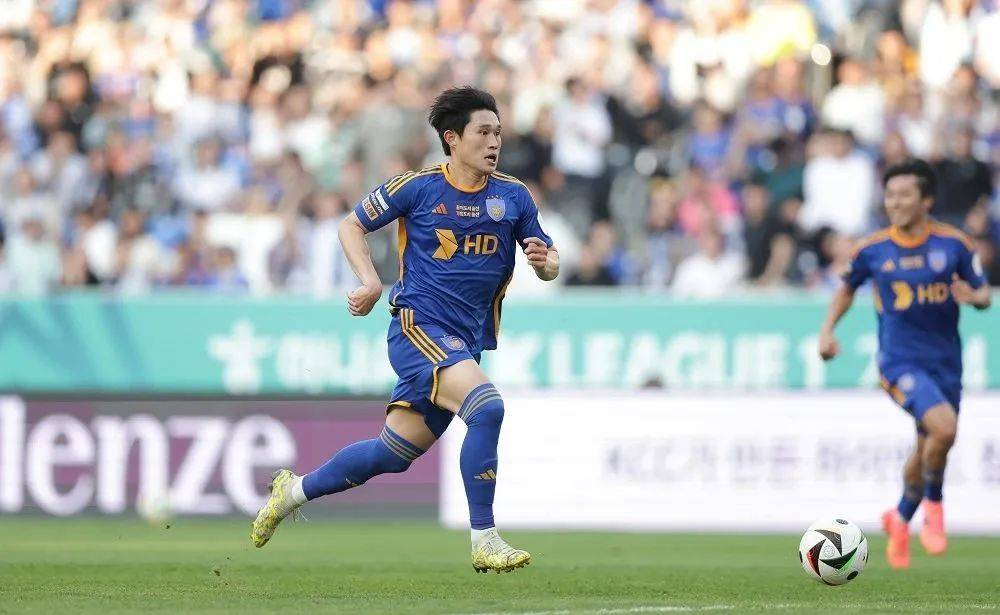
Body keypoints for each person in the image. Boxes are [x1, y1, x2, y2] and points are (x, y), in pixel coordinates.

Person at [250, 87, 559, 573]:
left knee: (390, 454)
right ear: (452, 139)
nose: (494, 142)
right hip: (418, 327)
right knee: (487, 407)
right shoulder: (417, 188)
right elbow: (350, 225)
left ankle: (292, 491)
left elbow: (548, 258)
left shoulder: (513, 196)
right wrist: (370, 281)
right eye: (483, 132)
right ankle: (485, 538)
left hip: (463, 344)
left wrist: (546, 263)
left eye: (498, 132)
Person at [817, 158, 991, 570]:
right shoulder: (872, 250)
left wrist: (973, 297)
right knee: (944, 428)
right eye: (890, 195)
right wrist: (827, 331)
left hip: (946, 364)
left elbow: (984, 294)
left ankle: (900, 516)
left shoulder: (954, 245)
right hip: (899, 362)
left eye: (904, 195)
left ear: (926, 200)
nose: (895, 202)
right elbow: (846, 289)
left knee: (930, 442)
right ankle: (934, 508)